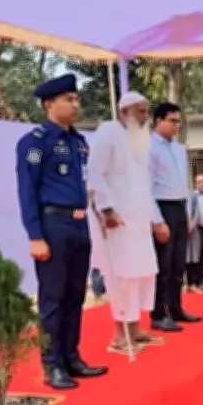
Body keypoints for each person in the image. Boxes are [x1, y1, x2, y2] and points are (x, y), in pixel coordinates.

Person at [16, 74, 108, 389]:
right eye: (69, 99)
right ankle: (52, 362)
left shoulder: (79, 142)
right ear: (49, 104)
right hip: (52, 224)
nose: (75, 104)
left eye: (76, 99)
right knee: (52, 298)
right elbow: (27, 190)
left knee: (75, 295)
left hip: (79, 224)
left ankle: (71, 356)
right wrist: (35, 235)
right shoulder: (35, 142)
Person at [88, 91, 167, 354]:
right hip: (117, 221)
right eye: (141, 112)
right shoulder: (108, 132)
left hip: (139, 222)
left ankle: (135, 328)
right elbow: (95, 172)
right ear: (124, 112)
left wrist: (156, 219)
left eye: (147, 111)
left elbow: (145, 185)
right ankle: (119, 335)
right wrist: (107, 210)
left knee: (142, 275)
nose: (146, 117)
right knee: (121, 277)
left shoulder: (139, 141)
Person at [148, 102, 202, 332]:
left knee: (179, 264)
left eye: (179, 121)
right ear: (158, 121)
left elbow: (185, 183)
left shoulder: (180, 149)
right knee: (164, 265)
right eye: (172, 121)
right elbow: (145, 187)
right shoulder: (148, 147)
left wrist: (188, 213)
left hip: (180, 208)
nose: (177, 125)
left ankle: (176, 308)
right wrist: (157, 219)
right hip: (162, 207)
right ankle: (159, 313)